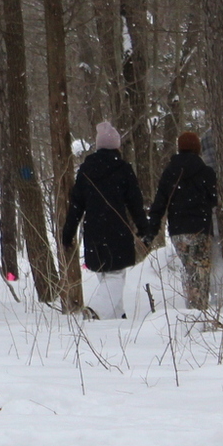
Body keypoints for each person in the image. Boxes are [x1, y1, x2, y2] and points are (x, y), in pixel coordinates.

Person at [63, 122, 149, 320]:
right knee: (115, 275)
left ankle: (116, 317)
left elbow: (76, 205)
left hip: (93, 229)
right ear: (116, 146)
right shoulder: (124, 169)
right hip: (117, 229)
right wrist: (143, 228)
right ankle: (96, 312)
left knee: (105, 274)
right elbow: (135, 203)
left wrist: (68, 232)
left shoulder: (86, 170)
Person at [145, 132, 219, 309]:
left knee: (188, 268)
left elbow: (159, 204)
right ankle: (200, 310)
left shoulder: (170, 173)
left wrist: (151, 231)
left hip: (178, 231)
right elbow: (214, 199)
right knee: (201, 270)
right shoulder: (206, 172)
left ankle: (192, 307)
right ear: (198, 149)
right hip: (201, 228)